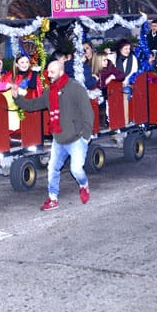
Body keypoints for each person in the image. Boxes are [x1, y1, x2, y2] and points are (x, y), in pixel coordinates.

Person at [12, 61, 94, 211]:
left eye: (52, 72)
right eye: (48, 72)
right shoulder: (50, 92)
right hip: (58, 139)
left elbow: (87, 112)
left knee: (76, 170)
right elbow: (33, 105)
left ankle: (84, 185)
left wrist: (86, 136)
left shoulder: (76, 88)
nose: (48, 75)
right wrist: (17, 98)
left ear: (61, 72)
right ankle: (53, 198)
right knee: (52, 169)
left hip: (77, 139)